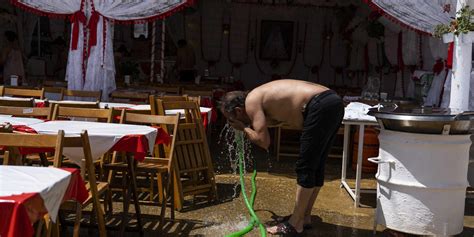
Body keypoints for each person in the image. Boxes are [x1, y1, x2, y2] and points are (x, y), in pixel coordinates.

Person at [220, 79, 344, 236]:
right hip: (332, 101)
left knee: (306, 167)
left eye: (231, 118)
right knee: (316, 164)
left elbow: (264, 142)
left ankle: (295, 224)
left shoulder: (252, 101)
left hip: (319, 105)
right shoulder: (260, 96)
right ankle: (304, 217)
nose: (231, 123)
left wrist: (244, 127)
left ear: (238, 111)